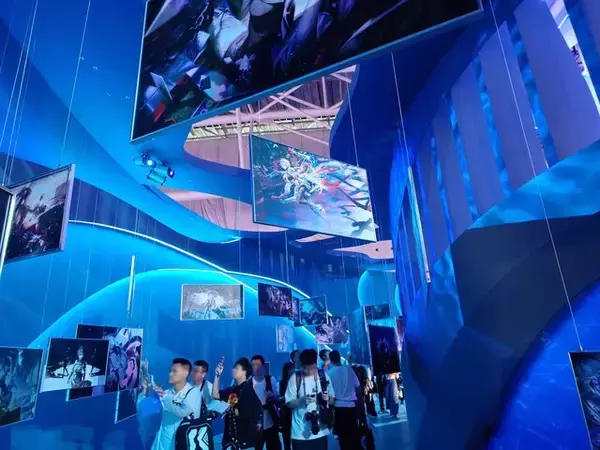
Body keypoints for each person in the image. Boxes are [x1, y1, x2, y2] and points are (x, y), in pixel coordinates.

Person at [285, 349, 335, 450]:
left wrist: (327, 399)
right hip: (300, 433)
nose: (310, 371)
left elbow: (332, 400)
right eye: (306, 369)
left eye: (312, 368)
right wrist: (302, 400)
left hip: (321, 431)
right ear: (301, 365)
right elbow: (289, 403)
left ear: (316, 363)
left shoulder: (323, 376)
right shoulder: (295, 378)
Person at [212, 357, 263, 450]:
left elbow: (247, 414)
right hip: (230, 442)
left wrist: (228, 408)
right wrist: (217, 375)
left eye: (236, 368)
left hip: (245, 443)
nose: (233, 370)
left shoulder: (249, 391)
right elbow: (215, 395)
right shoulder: (233, 389)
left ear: (244, 371)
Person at [151, 358, 201, 450]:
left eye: (174, 371)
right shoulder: (167, 392)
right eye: (170, 371)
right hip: (162, 441)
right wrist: (146, 392)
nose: (170, 374)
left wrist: (165, 397)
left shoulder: (193, 392)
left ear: (185, 374)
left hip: (181, 443)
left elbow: (183, 412)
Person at [327, 351, 361, 450]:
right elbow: (358, 387)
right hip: (352, 405)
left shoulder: (330, 374)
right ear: (339, 357)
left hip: (339, 407)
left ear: (331, 360)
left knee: (343, 436)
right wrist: (359, 402)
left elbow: (329, 393)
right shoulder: (349, 370)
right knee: (354, 433)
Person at [250, 355, 281, 450]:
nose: (256, 367)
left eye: (258, 365)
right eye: (253, 365)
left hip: (270, 422)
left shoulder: (270, 379)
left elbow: (277, 400)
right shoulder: (249, 382)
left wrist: (272, 395)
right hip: (255, 424)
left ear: (263, 366)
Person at [279, 362, 295, 450]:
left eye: (293, 369)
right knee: (286, 438)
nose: (292, 371)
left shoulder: (297, 381)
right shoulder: (282, 383)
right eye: (290, 370)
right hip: (286, 413)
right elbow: (280, 397)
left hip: (295, 411)